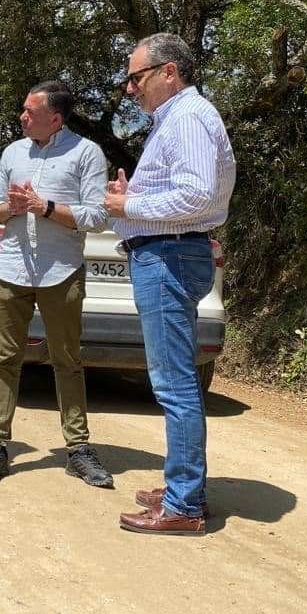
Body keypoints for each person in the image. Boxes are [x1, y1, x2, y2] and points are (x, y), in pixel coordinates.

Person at [105, 33, 236, 536]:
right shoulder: (180, 120)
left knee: (174, 383)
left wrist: (129, 206)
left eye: (136, 77)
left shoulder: (186, 117)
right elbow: (184, 193)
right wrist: (131, 195)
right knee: (174, 380)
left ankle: (183, 505)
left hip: (169, 256)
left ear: (169, 72)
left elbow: (197, 195)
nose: (130, 88)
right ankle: (185, 487)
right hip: (168, 251)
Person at [0, 81, 113, 487]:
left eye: (29, 112)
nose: (22, 116)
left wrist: (45, 208)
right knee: (4, 359)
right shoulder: (12, 153)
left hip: (61, 271)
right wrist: (7, 208)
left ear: (55, 117)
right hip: (13, 269)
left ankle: (78, 450)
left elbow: (98, 216)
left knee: (67, 361)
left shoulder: (86, 153)